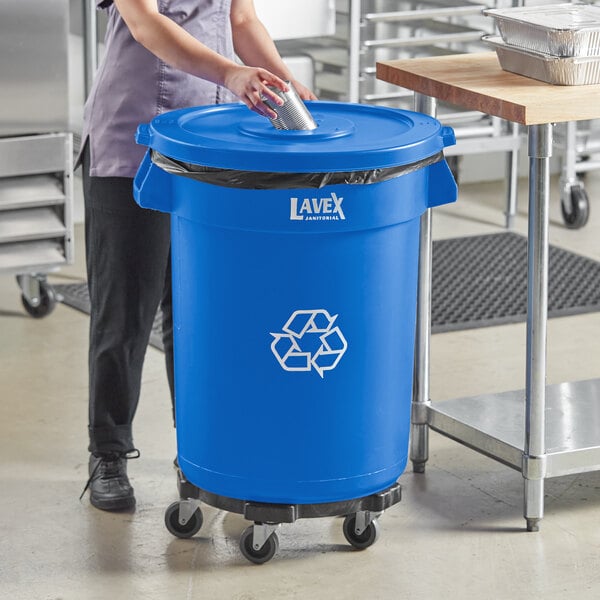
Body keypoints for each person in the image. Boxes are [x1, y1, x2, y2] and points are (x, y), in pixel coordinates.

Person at [78, 0, 316, 511]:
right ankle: (109, 453)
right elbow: (145, 23)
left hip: (207, 148)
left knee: (201, 315)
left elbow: (242, 20)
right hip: (131, 141)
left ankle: (203, 453)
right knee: (125, 313)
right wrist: (231, 73)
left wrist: (282, 81)